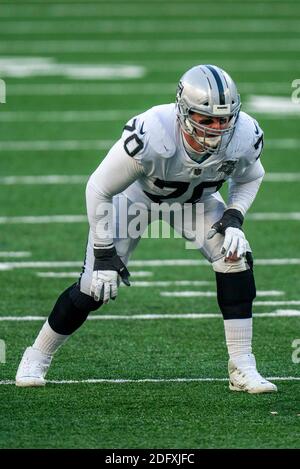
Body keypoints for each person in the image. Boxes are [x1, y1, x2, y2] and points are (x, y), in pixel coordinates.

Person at [15, 64, 277, 394]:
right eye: (206, 119)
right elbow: (98, 188)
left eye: (224, 120)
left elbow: (251, 177)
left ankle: (243, 366)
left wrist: (235, 215)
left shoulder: (244, 135)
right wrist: (103, 252)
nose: (216, 129)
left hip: (195, 203)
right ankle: (36, 356)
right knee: (93, 286)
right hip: (135, 199)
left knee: (235, 259)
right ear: (184, 111)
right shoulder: (154, 132)